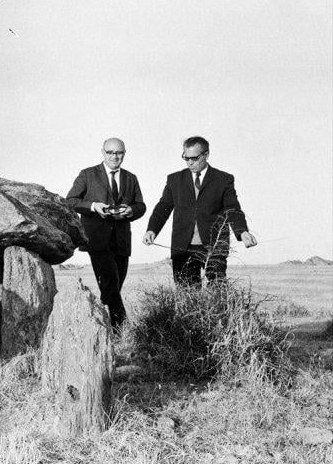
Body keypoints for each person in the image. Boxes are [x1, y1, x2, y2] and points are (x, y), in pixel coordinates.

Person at [143, 136, 257, 287]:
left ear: (206, 155)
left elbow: (232, 208)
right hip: (182, 247)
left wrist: (242, 231)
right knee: (186, 293)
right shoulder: (174, 180)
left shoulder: (223, 179)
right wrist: (152, 229)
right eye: (186, 157)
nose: (190, 162)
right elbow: (163, 207)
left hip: (214, 246)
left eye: (195, 158)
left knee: (217, 290)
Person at [65, 138, 146, 330]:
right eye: (110, 152)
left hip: (122, 241)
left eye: (119, 153)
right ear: (103, 152)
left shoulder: (131, 177)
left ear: (124, 153)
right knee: (110, 281)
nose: (115, 156)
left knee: (113, 287)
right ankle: (122, 329)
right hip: (97, 239)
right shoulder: (88, 174)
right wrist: (93, 206)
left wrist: (131, 210)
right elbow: (70, 201)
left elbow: (141, 205)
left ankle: (100, 325)